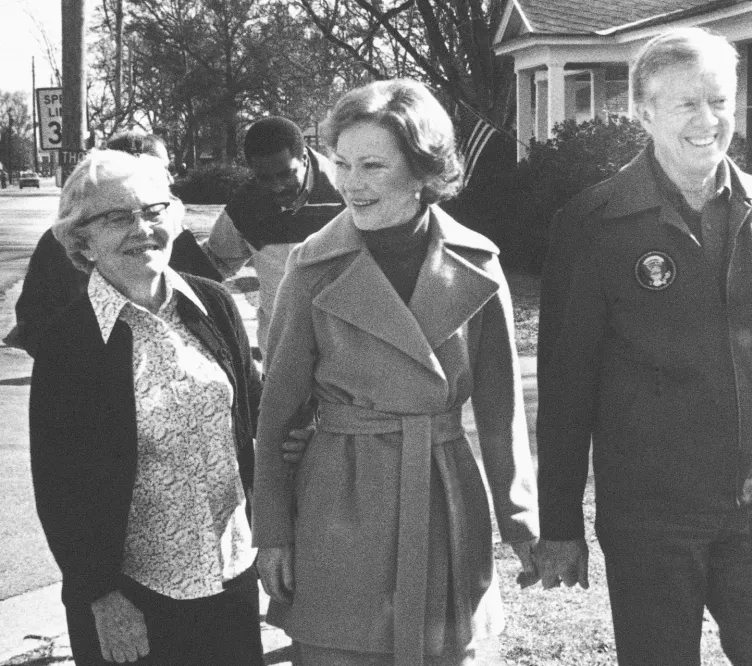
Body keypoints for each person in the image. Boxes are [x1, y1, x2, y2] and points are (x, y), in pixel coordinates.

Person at [534, 27, 752, 666]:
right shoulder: (592, 223)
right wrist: (560, 524)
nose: (709, 120)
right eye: (687, 105)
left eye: (720, 102)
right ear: (643, 112)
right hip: (648, 520)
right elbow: (566, 388)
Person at [252, 78, 539, 666]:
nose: (351, 184)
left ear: (421, 172)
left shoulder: (479, 262)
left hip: (442, 487)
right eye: (342, 163)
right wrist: (274, 531)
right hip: (339, 499)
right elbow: (277, 412)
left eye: (373, 165)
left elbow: (500, 404)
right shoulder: (312, 266)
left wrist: (520, 520)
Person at [30, 150, 264, 665]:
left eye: (153, 210)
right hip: (134, 596)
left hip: (231, 577)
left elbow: (255, 414)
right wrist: (101, 596)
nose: (141, 228)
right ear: (83, 240)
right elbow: (58, 485)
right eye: (117, 217)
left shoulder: (214, 305)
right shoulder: (70, 342)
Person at [6, 131, 221, 358]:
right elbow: (33, 320)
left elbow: (209, 301)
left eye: (168, 170)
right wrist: (73, 363)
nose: (170, 179)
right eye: (117, 218)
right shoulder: (64, 239)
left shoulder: (166, 231)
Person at [202, 116, 343, 366]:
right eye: (264, 178)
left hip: (345, 354)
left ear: (305, 158)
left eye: (286, 174)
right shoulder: (245, 206)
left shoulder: (347, 192)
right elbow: (211, 266)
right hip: (281, 356)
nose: (277, 187)